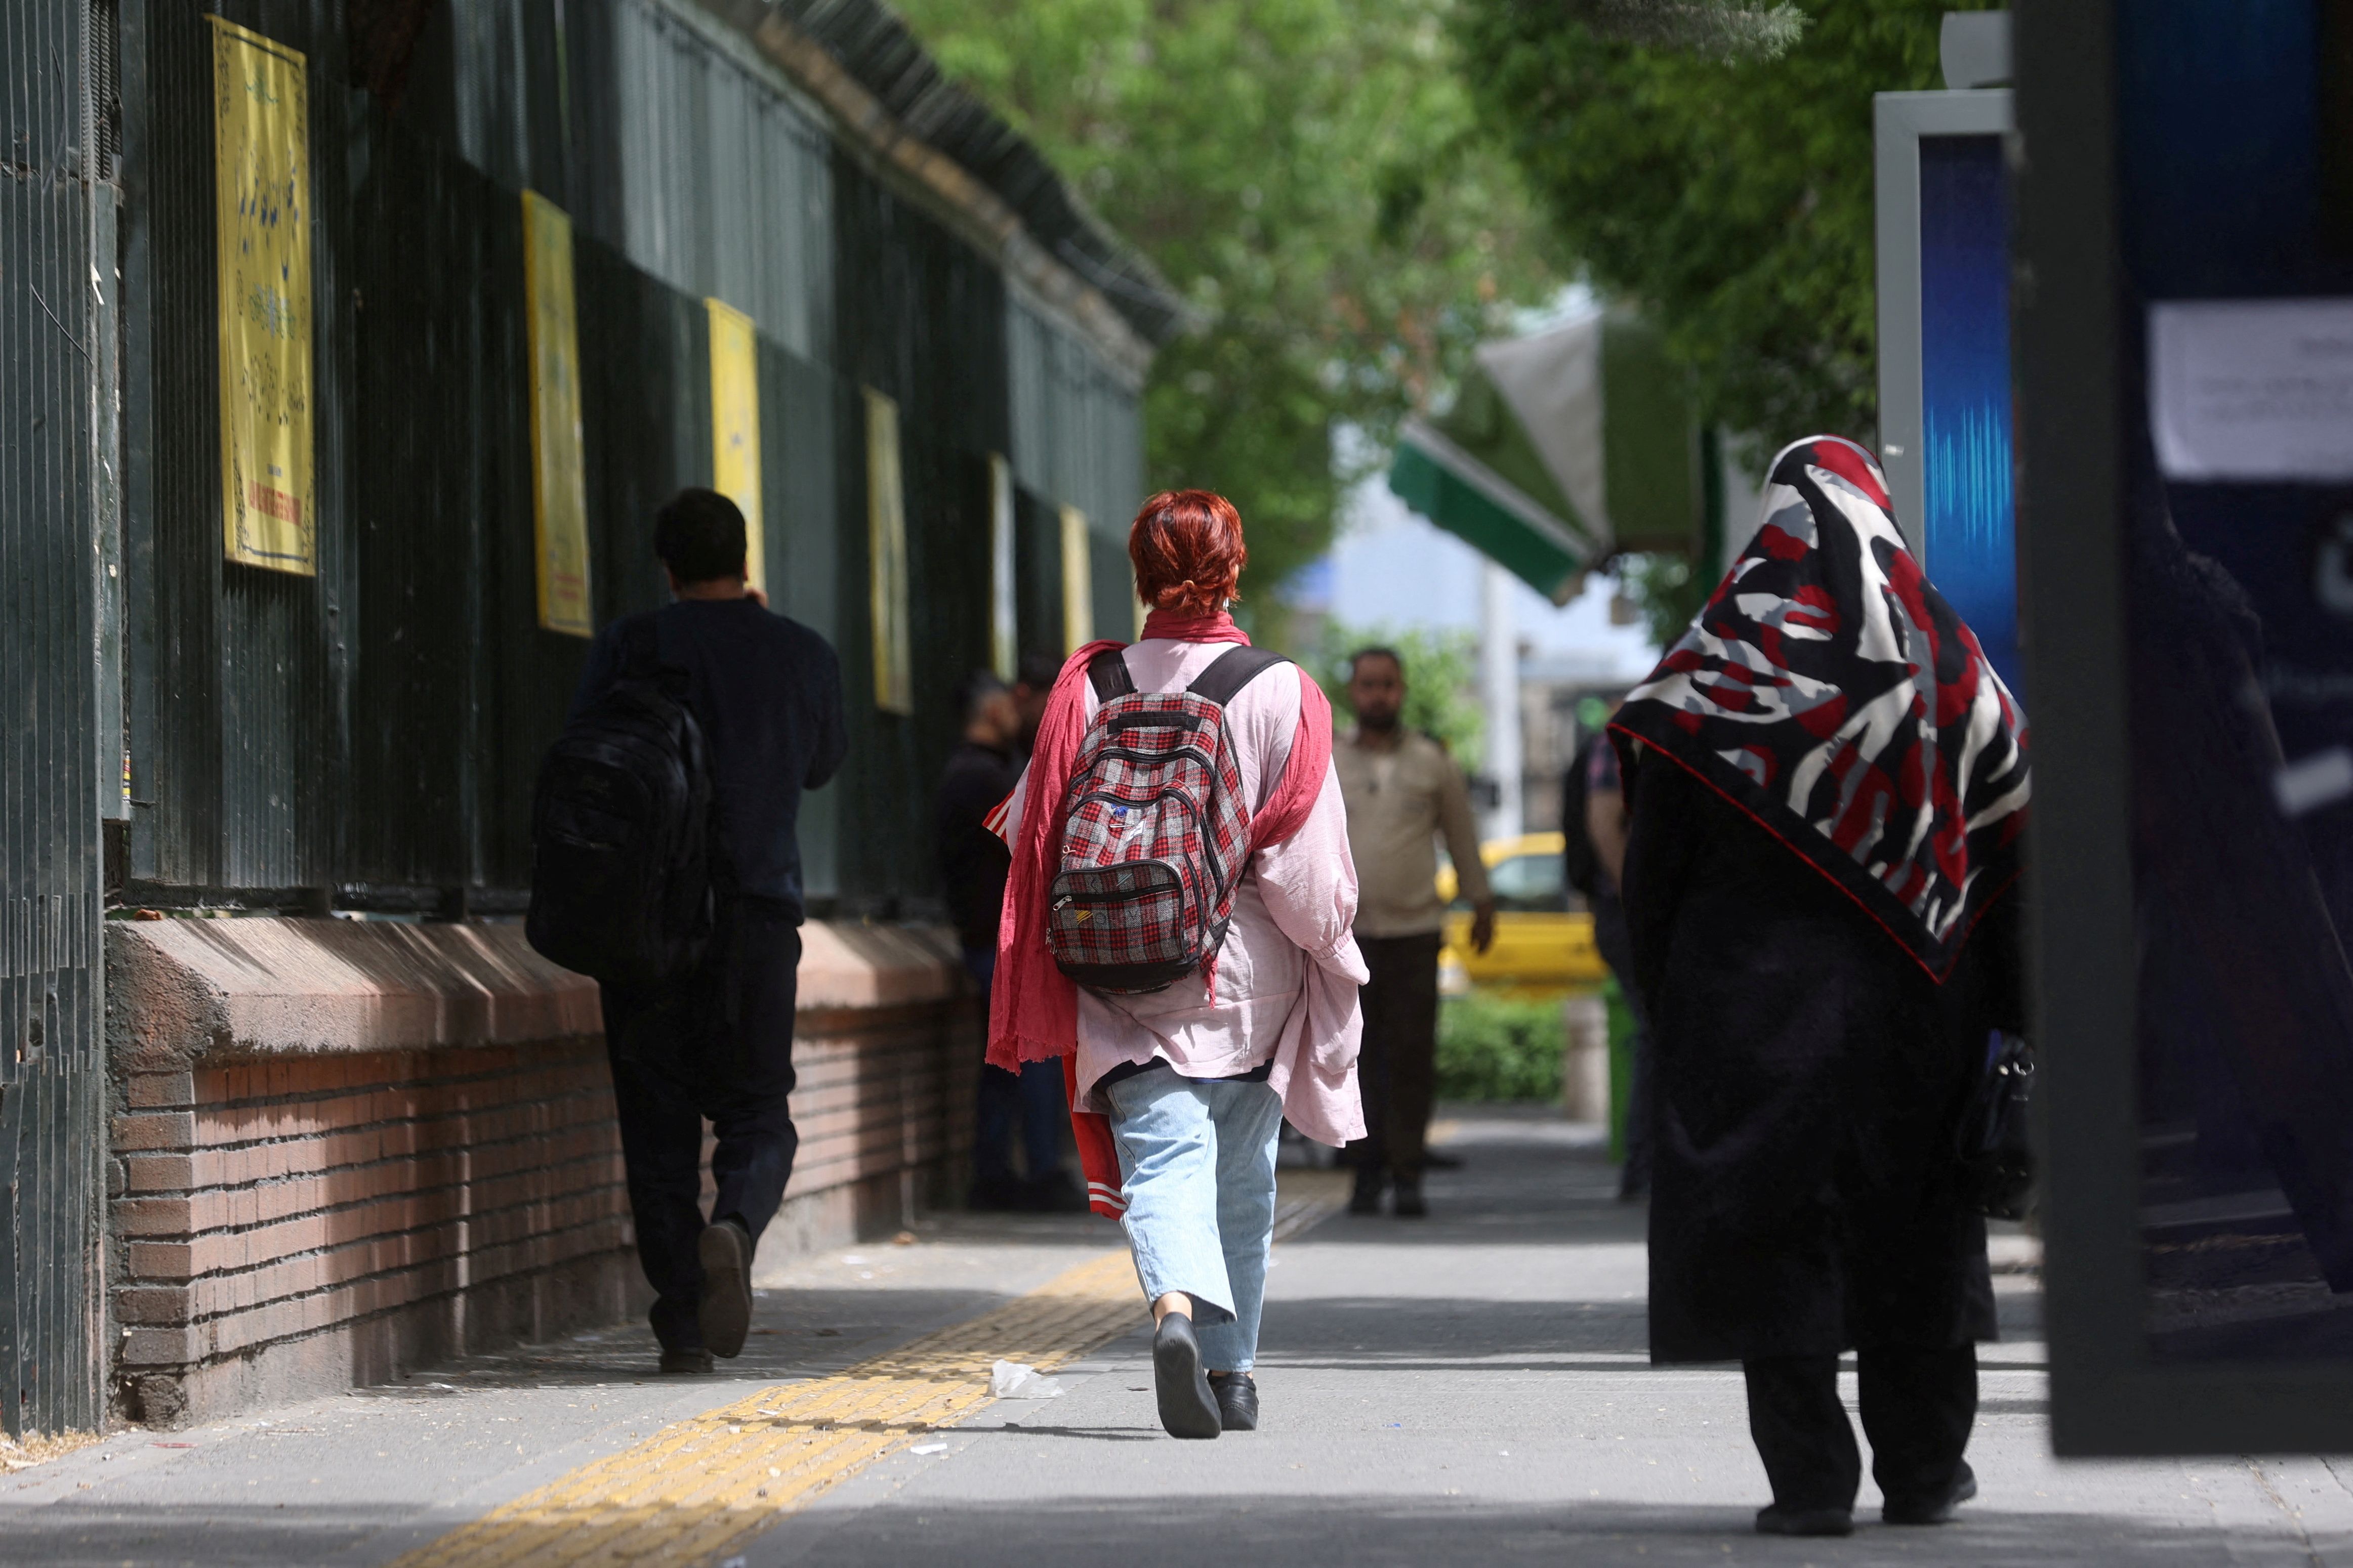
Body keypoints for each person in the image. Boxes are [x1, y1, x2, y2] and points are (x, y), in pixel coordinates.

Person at [1613, 437, 2028, 1537]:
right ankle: (1925, 1469)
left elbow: (1647, 878)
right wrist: (2020, 1014)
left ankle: (1808, 1482)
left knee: (1773, 1238)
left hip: (1747, 1013)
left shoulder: (1708, 673)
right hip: (1920, 1014)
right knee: (1918, 1231)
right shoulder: (1948, 670)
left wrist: (1669, 1005)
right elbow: (2015, 849)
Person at [988, 488, 1366, 1439]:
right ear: (1231, 569)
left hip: (1117, 969)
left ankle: (1172, 1317)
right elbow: (1310, 876)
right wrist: (1334, 947)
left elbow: (1032, 827)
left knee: (1161, 1165)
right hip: (1249, 975)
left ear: (1140, 573)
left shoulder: (1089, 684)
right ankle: (1234, 1376)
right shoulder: (1281, 687)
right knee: (1243, 1176)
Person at [572, 488, 848, 1376]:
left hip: (645, 917)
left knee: (654, 1120)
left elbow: (587, 749)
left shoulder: (631, 644)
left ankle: (683, 1323)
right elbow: (820, 763)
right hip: (758, 915)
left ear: (665, 564)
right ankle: (734, 1220)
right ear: (744, 559)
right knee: (758, 1108)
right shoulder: (800, 651)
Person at [1333, 648, 1494, 1217]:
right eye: (1368, 684)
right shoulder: (1327, 759)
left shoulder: (1433, 762)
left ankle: (1406, 1174)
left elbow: (1461, 836)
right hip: (1346, 938)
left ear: (1402, 691)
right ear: (1353, 691)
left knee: (1409, 1057)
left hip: (1415, 932)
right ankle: (1363, 1172)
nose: (1378, 694)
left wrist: (1481, 902)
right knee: (1351, 1058)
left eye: (1388, 685)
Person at [936, 670, 1075, 1210]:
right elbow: (1035, 833)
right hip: (998, 944)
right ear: (993, 711)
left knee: (1003, 1064)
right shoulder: (978, 778)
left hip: (990, 940)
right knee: (1032, 1057)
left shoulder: (973, 773)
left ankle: (991, 1175)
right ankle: (1042, 1172)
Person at [1572, 702, 1654, 1200]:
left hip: (1634, 914)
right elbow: (1604, 823)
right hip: (1631, 916)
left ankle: (1646, 1166)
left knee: (1658, 1035)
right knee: (1657, 1035)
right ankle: (1643, 1169)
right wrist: (1641, 901)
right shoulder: (1629, 734)